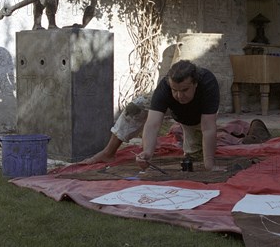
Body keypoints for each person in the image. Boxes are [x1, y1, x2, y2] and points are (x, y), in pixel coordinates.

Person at [83, 60, 220, 171]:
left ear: (195, 84)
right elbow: (152, 124)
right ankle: (109, 152)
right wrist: (147, 152)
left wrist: (210, 163)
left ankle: (194, 147)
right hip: (172, 108)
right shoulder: (164, 87)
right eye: (175, 90)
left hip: (195, 118)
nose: (179, 95)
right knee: (135, 108)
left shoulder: (208, 84)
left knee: (195, 158)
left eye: (184, 90)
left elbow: (208, 128)